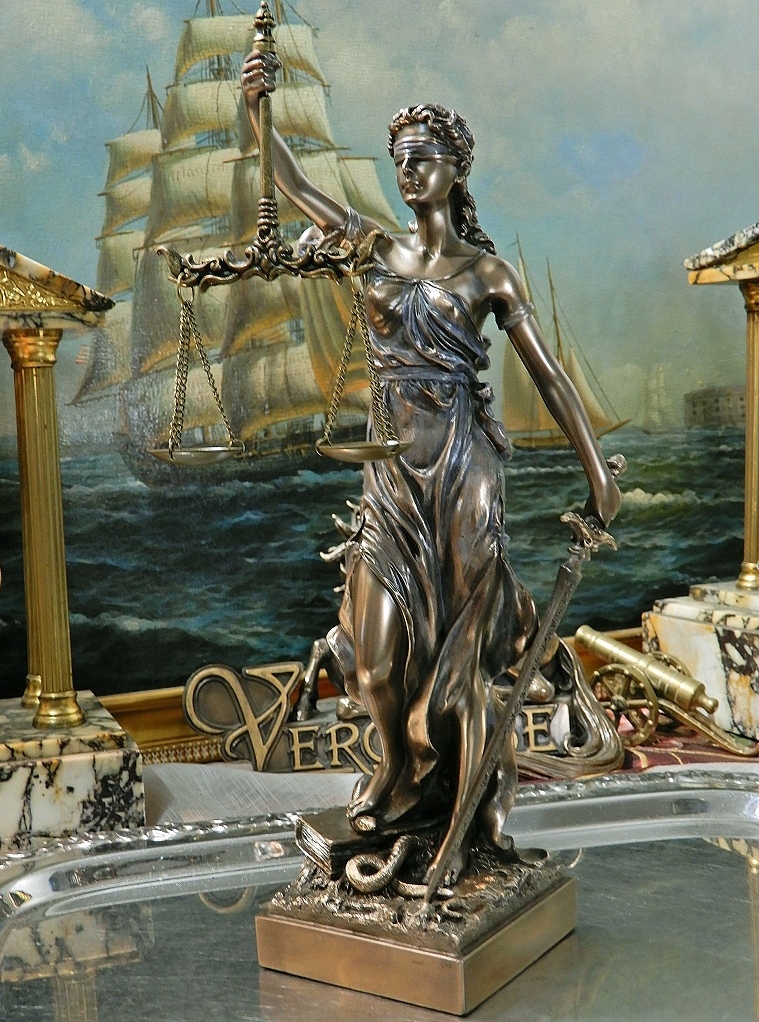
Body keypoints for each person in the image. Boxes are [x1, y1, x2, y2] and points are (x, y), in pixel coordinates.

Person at [242, 54, 621, 878]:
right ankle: (395, 772)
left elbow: (549, 377)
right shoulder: (370, 246)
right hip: (388, 475)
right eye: (399, 159)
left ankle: (446, 806)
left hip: (461, 471)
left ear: (456, 168)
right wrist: (255, 105)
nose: (408, 171)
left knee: (459, 655)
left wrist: (598, 475)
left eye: (422, 157)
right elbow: (290, 182)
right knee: (375, 660)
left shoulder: (486, 273)